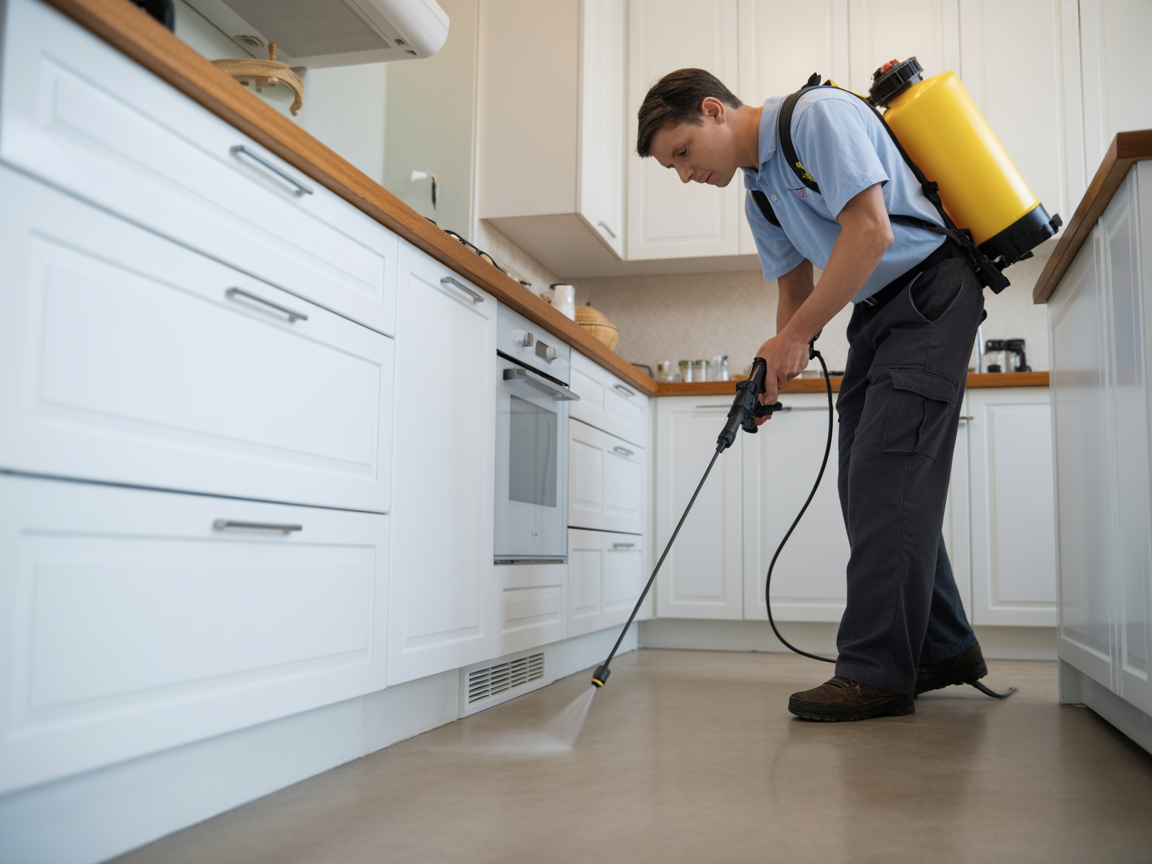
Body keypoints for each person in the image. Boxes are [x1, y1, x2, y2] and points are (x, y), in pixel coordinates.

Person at [636, 68, 991, 722]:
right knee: (865, 482)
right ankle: (943, 646)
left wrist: (797, 337)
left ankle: (874, 672)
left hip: (932, 291)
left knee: (885, 478)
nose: (684, 175)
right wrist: (773, 369)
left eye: (682, 153)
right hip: (877, 313)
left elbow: (872, 231)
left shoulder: (816, 118)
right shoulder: (760, 195)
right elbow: (793, 294)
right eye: (672, 170)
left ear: (713, 111)